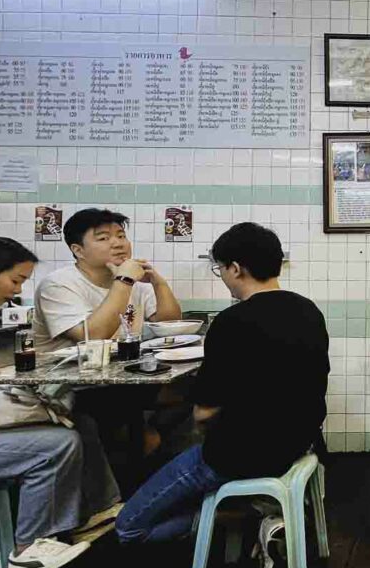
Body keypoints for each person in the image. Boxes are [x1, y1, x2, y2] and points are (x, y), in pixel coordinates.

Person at [116, 223, 329, 545]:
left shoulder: (232, 322)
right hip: (298, 442)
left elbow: (203, 414)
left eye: (220, 269)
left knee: (129, 528)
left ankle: (244, 517)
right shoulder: (308, 310)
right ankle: (257, 511)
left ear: (235, 268)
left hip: (238, 455)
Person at [0, 238, 121, 568]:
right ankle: (30, 549)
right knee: (56, 446)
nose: (16, 291)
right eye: (16, 280)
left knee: (77, 424)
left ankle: (94, 517)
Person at [32, 208, 182, 353]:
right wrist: (124, 280)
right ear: (78, 250)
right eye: (103, 238)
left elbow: (169, 326)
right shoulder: (58, 284)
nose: (118, 243)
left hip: (121, 369)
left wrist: (159, 284)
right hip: (64, 374)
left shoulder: (132, 277)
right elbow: (92, 338)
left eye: (121, 236)